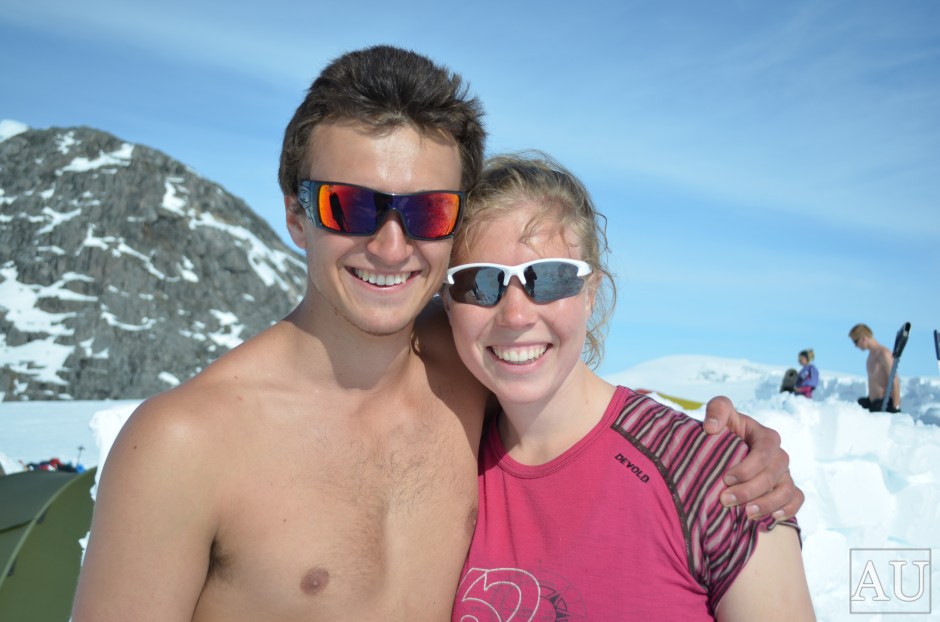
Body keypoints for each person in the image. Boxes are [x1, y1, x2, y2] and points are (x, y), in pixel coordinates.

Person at [72, 46, 801, 621]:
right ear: (296, 214)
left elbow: (572, 391)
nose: (391, 247)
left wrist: (730, 443)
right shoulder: (184, 444)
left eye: (427, 213)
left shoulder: (468, 369)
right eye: (349, 206)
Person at [444, 153, 815, 620]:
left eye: (551, 279)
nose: (516, 315)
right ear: (447, 303)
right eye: (479, 283)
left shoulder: (718, 478)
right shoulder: (442, 468)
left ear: (591, 293)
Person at [849, 323, 901, 413]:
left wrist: (895, 407)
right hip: (873, 403)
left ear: (863, 338)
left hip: (884, 405)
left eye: (856, 342)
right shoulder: (870, 356)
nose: (856, 346)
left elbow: (895, 382)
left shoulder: (884, 354)